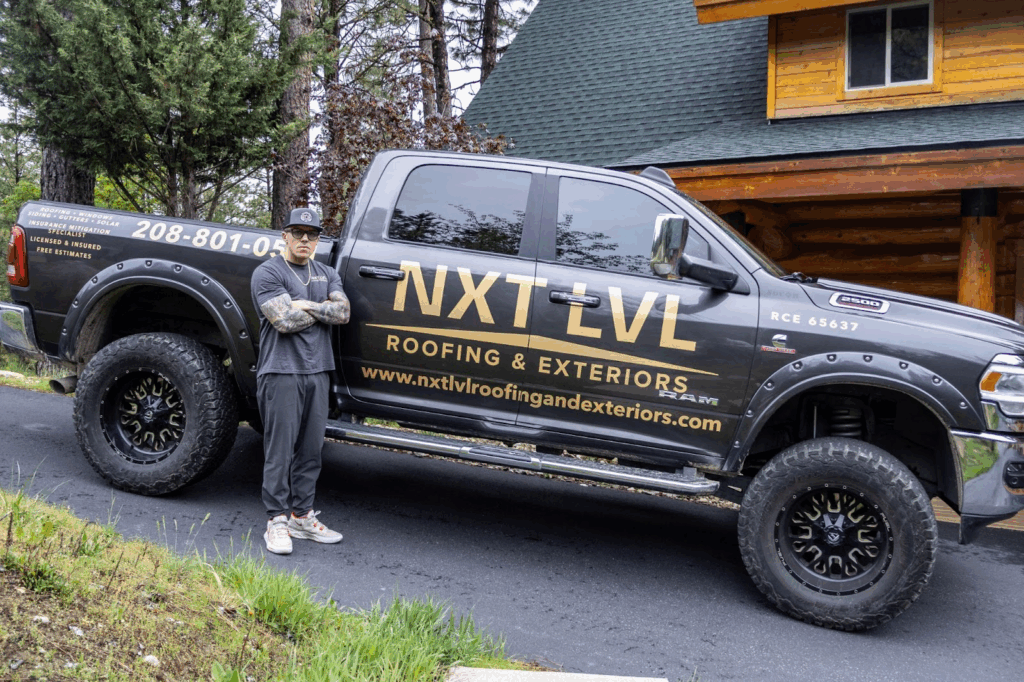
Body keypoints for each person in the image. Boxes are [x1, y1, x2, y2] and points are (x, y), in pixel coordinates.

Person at [250, 208, 350, 555]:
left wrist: (303, 303)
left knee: (311, 451)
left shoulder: (326, 272)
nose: (304, 239)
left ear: (319, 239)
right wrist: (319, 307)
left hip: (318, 371)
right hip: (281, 371)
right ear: (285, 236)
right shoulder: (268, 272)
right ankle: (275, 521)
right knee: (280, 451)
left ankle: (301, 517)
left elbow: (343, 313)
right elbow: (283, 322)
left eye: (312, 234)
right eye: (297, 232)